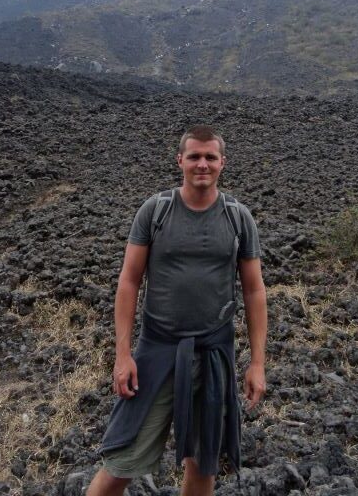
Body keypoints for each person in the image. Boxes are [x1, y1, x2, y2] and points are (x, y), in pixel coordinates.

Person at [85, 125, 267, 496]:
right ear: (180, 160)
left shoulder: (238, 217)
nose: (202, 164)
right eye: (195, 156)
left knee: (202, 464)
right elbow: (129, 281)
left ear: (222, 163)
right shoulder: (156, 211)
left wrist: (257, 362)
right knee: (122, 459)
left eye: (210, 157)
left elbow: (253, 290)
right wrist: (123, 355)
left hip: (214, 354)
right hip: (157, 351)